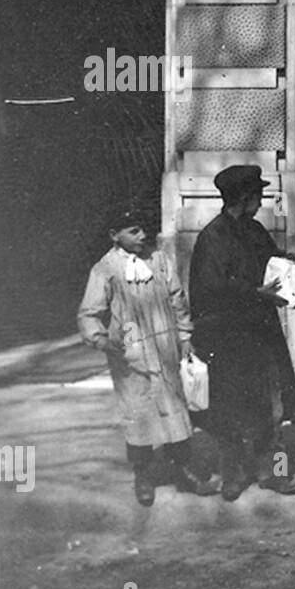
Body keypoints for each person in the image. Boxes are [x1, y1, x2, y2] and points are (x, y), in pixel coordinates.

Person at [78, 206, 217, 506]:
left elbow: (177, 301)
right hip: (130, 354)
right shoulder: (106, 269)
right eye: (133, 231)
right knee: (139, 414)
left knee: (175, 411)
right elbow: (90, 312)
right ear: (115, 235)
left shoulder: (159, 260)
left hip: (165, 349)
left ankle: (183, 469)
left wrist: (184, 337)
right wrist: (102, 340)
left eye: (144, 229)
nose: (143, 236)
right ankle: (143, 475)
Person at [188, 165, 295, 501]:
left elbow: (272, 261)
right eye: (258, 194)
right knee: (229, 412)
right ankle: (232, 478)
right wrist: (256, 294)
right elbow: (211, 288)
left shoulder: (255, 230)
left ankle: (277, 473)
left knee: (274, 409)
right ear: (243, 197)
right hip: (228, 339)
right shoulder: (212, 238)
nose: (263, 198)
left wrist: (293, 263)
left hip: (262, 334)